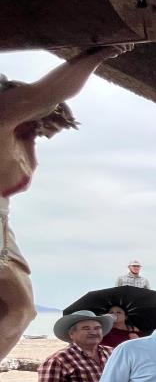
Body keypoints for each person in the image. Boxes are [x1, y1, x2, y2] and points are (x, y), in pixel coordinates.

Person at [0, 45, 130, 361]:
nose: (47, 134)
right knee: (18, 307)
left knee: (22, 309)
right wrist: (98, 54)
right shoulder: (5, 116)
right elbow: (45, 94)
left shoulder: (16, 136)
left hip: (3, 223)